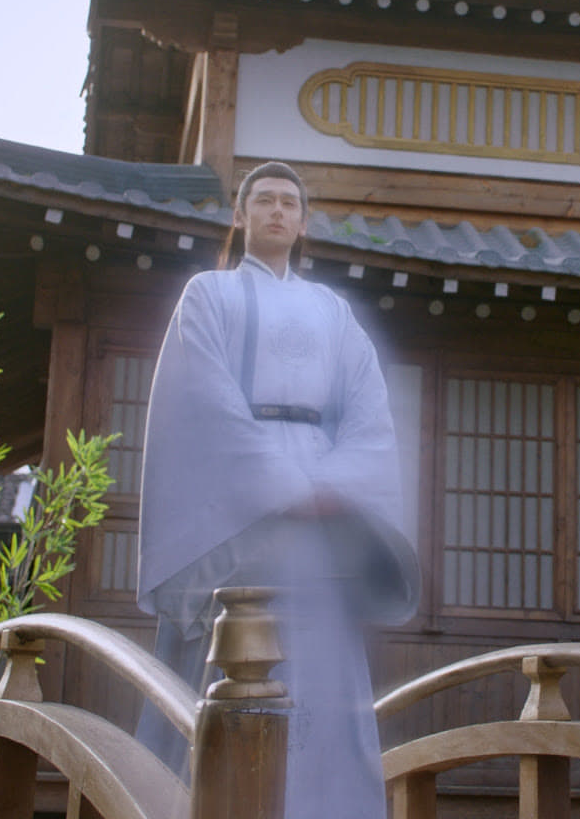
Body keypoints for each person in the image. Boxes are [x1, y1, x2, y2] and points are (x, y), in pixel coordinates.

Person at [133, 160, 418, 818]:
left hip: (323, 501)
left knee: (322, 655)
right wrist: (281, 482)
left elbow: (368, 410)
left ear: (304, 221)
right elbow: (203, 397)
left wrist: (336, 481)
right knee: (231, 652)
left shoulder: (332, 312)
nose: (277, 211)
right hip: (238, 505)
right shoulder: (208, 295)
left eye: (289, 202)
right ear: (240, 215)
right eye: (264, 200)